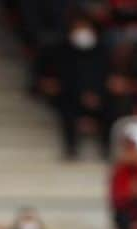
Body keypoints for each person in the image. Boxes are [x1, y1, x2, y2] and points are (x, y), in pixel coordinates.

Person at [54, 14, 108, 159]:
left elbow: (106, 76)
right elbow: (64, 78)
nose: (82, 32)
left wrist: (97, 94)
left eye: (85, 27)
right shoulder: (63, 51)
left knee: (113, 107)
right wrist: (82, 95)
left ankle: (108, 148)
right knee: (66, 108)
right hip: (72, 96)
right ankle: (71, 147)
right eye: (78, 28)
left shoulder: (102, 51)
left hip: (100, 96)